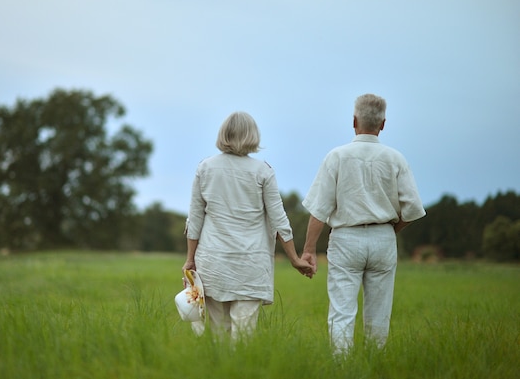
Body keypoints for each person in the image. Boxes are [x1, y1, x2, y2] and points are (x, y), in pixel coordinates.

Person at [301, 94, 426, 354]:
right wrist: (392, 229)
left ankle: (342, 367)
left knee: (342, 312)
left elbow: (319, 209)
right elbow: (412, 209)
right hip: (384, 238)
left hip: (346, 238)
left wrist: (309, 249)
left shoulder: (336, 157)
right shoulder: (396, 159)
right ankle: (374, 364)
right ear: (383, 124)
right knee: (379, 316)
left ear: (354, 121)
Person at [182, 111, 313, 340]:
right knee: (243, 338)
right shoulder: (263, 171)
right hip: (250, 265)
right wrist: (294, 258)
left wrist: (190, 259)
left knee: (216, 336)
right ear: (253, 136)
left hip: (212, 264)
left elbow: (195, 219)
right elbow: (279, 220)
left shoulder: (205, 168)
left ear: (223, 134)